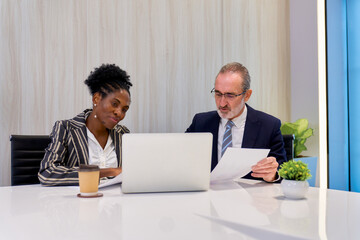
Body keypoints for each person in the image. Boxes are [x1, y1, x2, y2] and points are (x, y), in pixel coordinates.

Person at [186, 62, 286, 182]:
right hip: (210, 196)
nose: (222, 103)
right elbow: (182, 157)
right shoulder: (200, 123)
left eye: (230, 95)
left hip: (251, 197)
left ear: (247, 95)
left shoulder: (269, 126)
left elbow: (282, 172)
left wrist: (273, 175)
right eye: (218, 94)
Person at [38, 64, 132, 186]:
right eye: (114, 104)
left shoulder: (123, 133)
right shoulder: (66, 128)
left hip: (117, 202)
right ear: (96, 99)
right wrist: (111, 171)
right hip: (79, 202)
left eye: (124, 109)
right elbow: (47, 173)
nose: (119, 113)